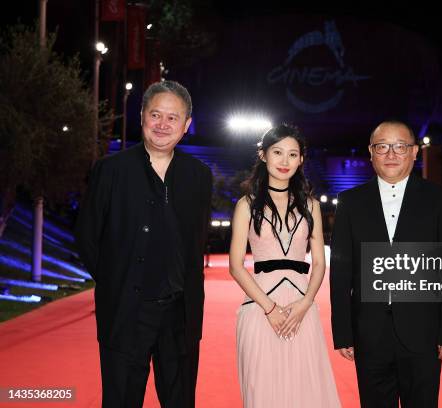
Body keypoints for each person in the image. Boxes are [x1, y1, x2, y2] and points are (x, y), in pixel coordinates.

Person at [75, 81, 212, 407]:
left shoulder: (199, 176)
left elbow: (195, 244)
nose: (163, 125)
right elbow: (87, 237)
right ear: (142, 117)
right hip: (124, 313)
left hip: (180, 314)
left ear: (186, 125)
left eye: (172, 118)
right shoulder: (110, 171)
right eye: (156, 115)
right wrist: (116, 282)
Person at [330, 120, 442, 407]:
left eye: (400, 147)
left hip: (424, 332)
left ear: (414, 152)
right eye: (382, 147)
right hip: (369, 334)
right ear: (371, 152)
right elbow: (341, 273)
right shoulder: (350, 201)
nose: (391, 154)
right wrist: (343, 332)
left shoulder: (439, 197)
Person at [229, 125, 340, 407]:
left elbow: (318, 262)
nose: (284, 161)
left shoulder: (310, 205)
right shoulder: (246, 204)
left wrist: (305, 304)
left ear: (301, 160)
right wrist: (269, 308)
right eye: (277, 152)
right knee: (264, 392)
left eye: (293, 154)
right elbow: (236, 265)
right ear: (263, 155)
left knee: (306, 393)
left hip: (302, 308)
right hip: (259, 308)